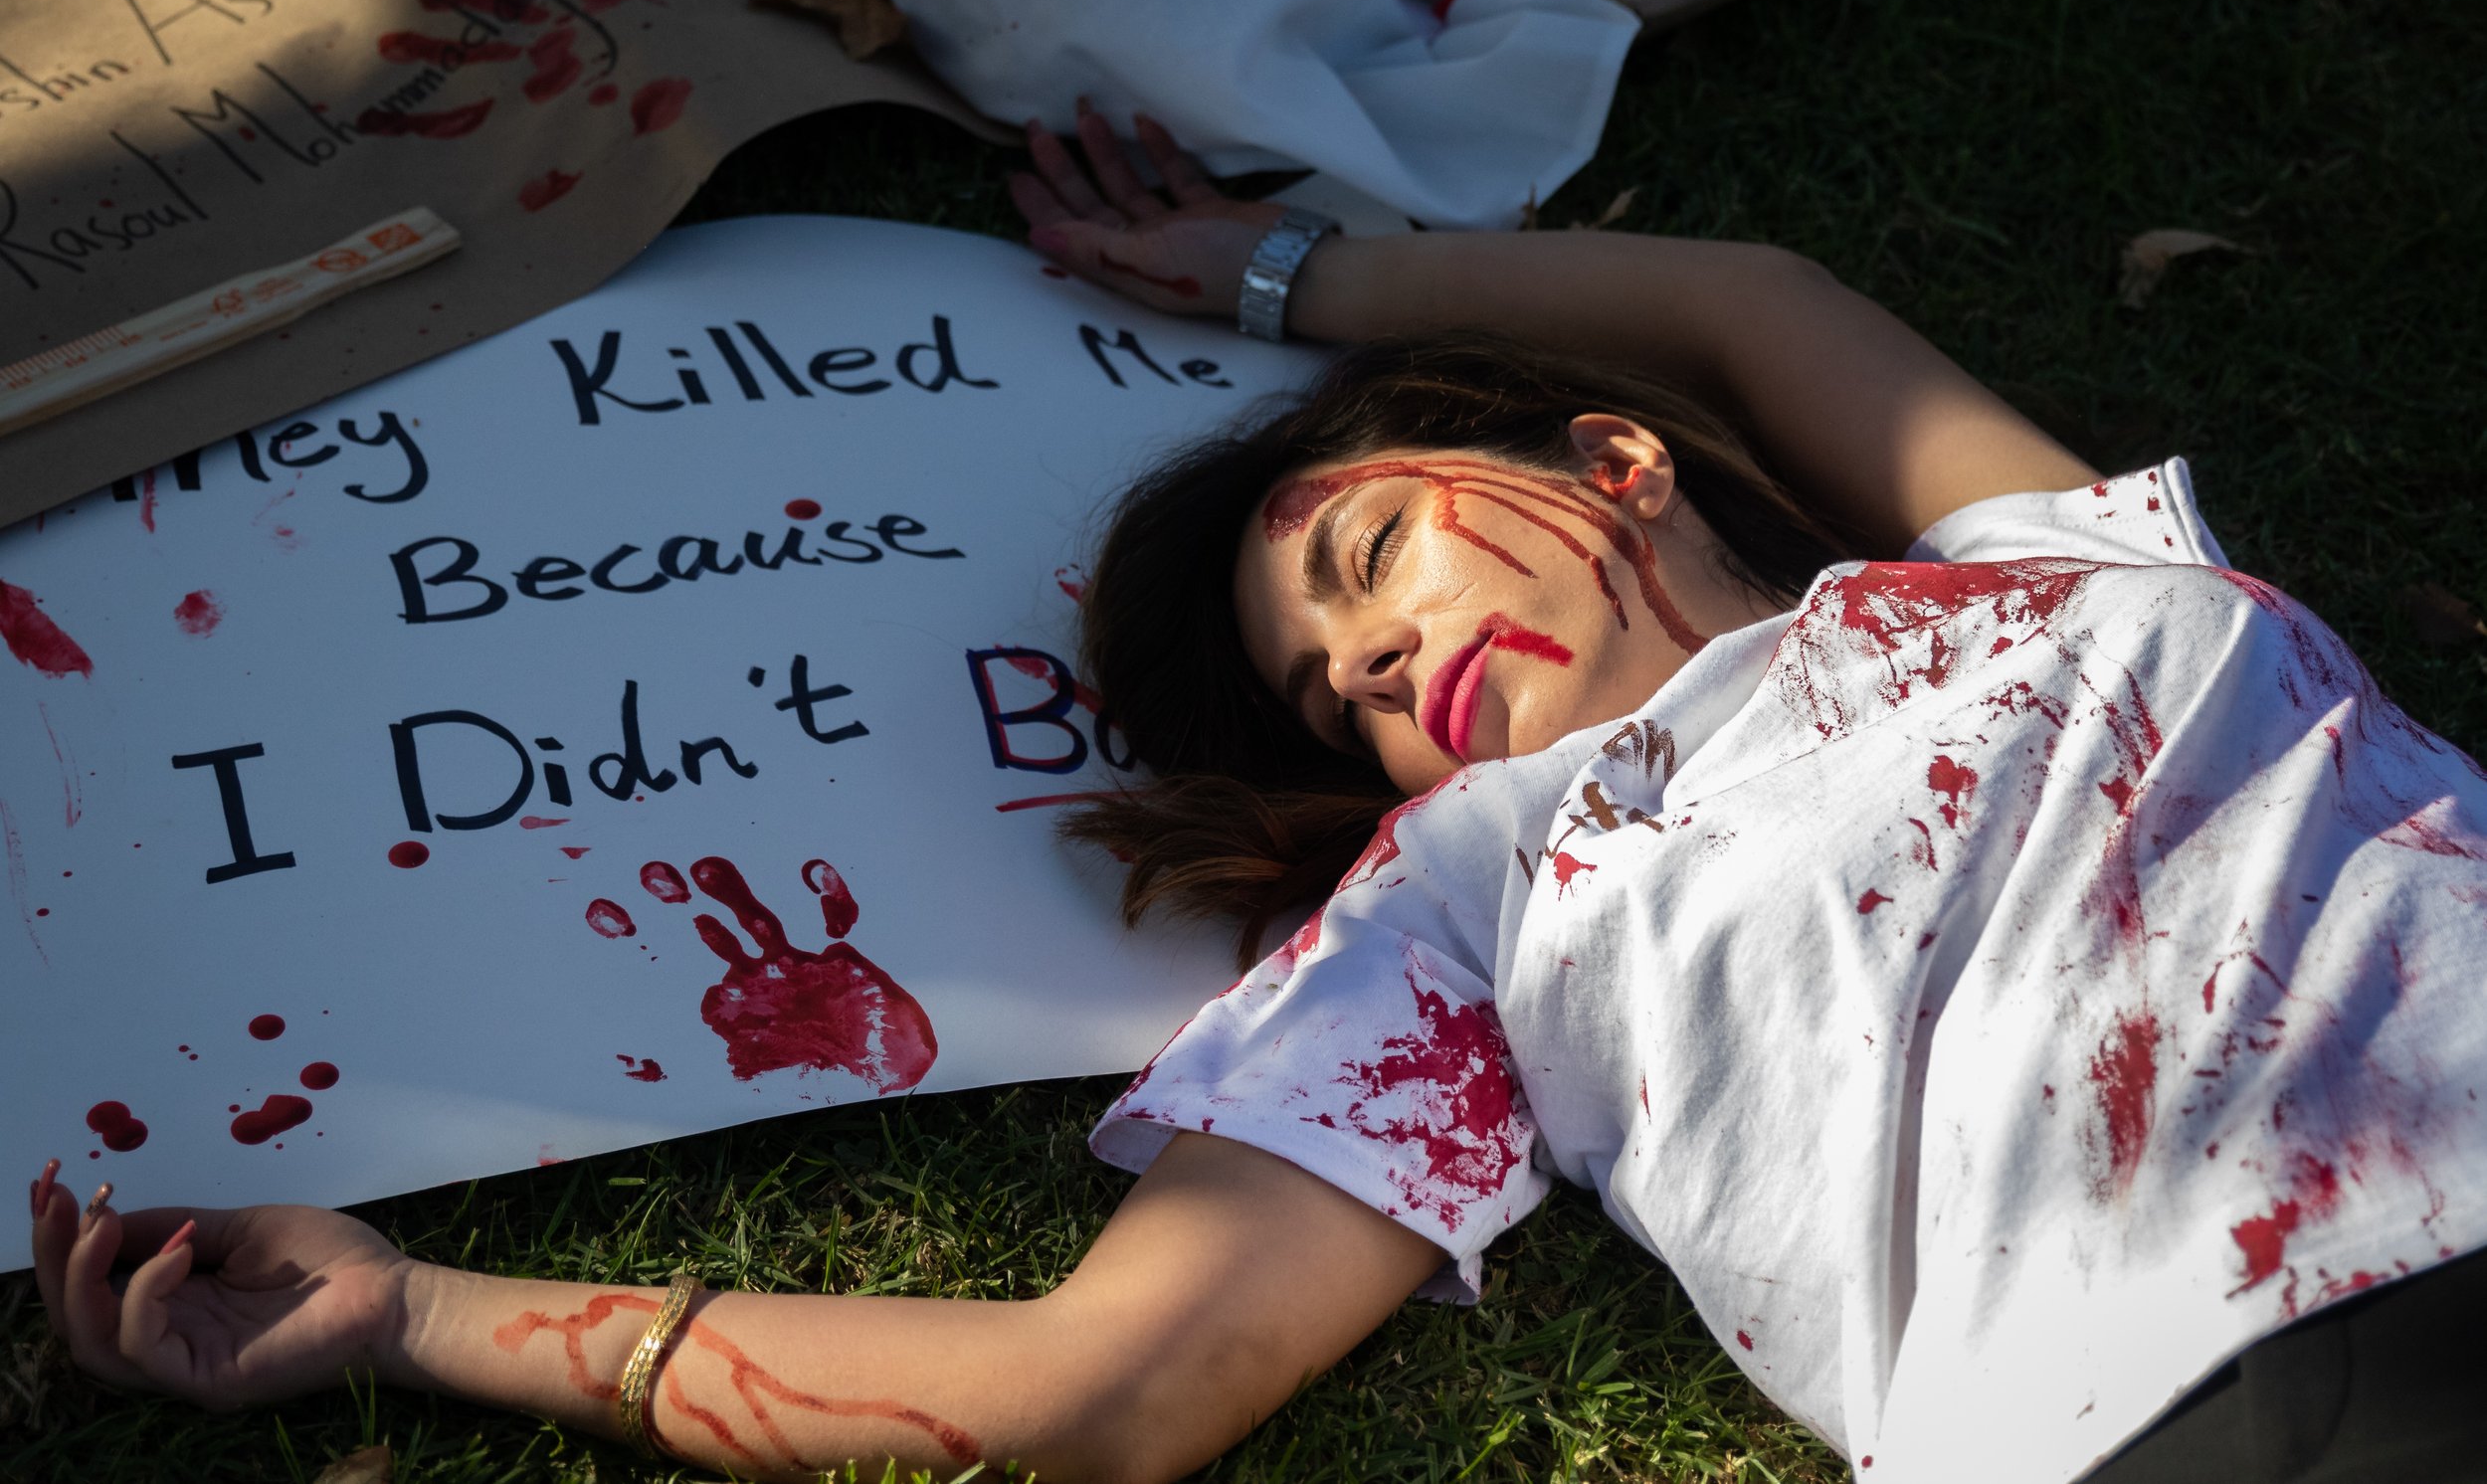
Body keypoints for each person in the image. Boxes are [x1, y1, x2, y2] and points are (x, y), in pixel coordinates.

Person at [28, 114, 2487, 1484]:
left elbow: (1750, 301)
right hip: (2222, 1400)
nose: (1374, 662)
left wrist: (1296, 268)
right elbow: (1102, 1390)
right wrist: (417, 1311)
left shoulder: (2043, 576)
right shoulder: (1466, 903)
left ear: (1604, 464)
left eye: (1362, 551)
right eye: (1332, 699)